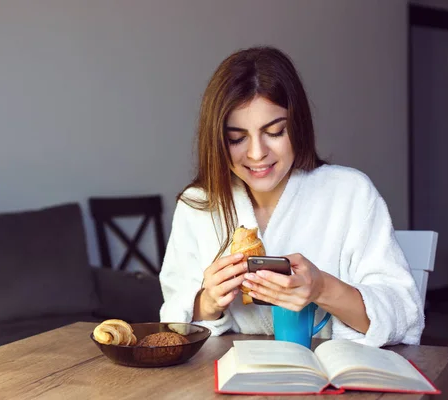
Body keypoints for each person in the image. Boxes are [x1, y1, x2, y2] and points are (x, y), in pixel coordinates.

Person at [158, 46, 424, 347]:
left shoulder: (350, 193)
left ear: (297, 125)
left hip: (332, 377)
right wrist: (208, 302)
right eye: (237, 138)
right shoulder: (199, 205)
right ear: (218, 140)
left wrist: (322, 288)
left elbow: (404, 312)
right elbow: (174, 320)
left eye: (275, 132)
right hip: (227, 376)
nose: (257, 153)